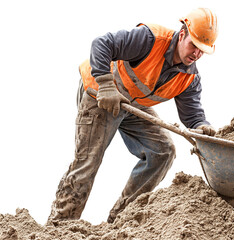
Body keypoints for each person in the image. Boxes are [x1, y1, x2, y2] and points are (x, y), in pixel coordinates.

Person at [48, 7, 219, 224]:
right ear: (182, 34)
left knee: (163, 151)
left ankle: (121, 219)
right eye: (194, 45)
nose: (196, 54)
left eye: (203, 50)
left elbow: (192, 114)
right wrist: (106, 83)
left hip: (131, 104)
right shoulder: (151, 39)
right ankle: (59, 226)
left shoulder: (189, 78)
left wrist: (201, 125)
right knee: (88, 161)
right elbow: (102, 44)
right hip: (100, 94)